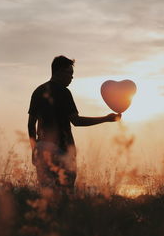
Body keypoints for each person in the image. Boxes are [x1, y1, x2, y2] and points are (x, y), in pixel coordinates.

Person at [28, 55, 121, 191]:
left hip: (42, 149)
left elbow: (31, 124)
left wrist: (35, 148)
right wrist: (106, 119)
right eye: (69, 73)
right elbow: (76, 121)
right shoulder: (64, 92)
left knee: (46, 195)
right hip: (61, 150)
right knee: (65, 193)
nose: (71, 78)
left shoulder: (38, 91)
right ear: (59, 72)